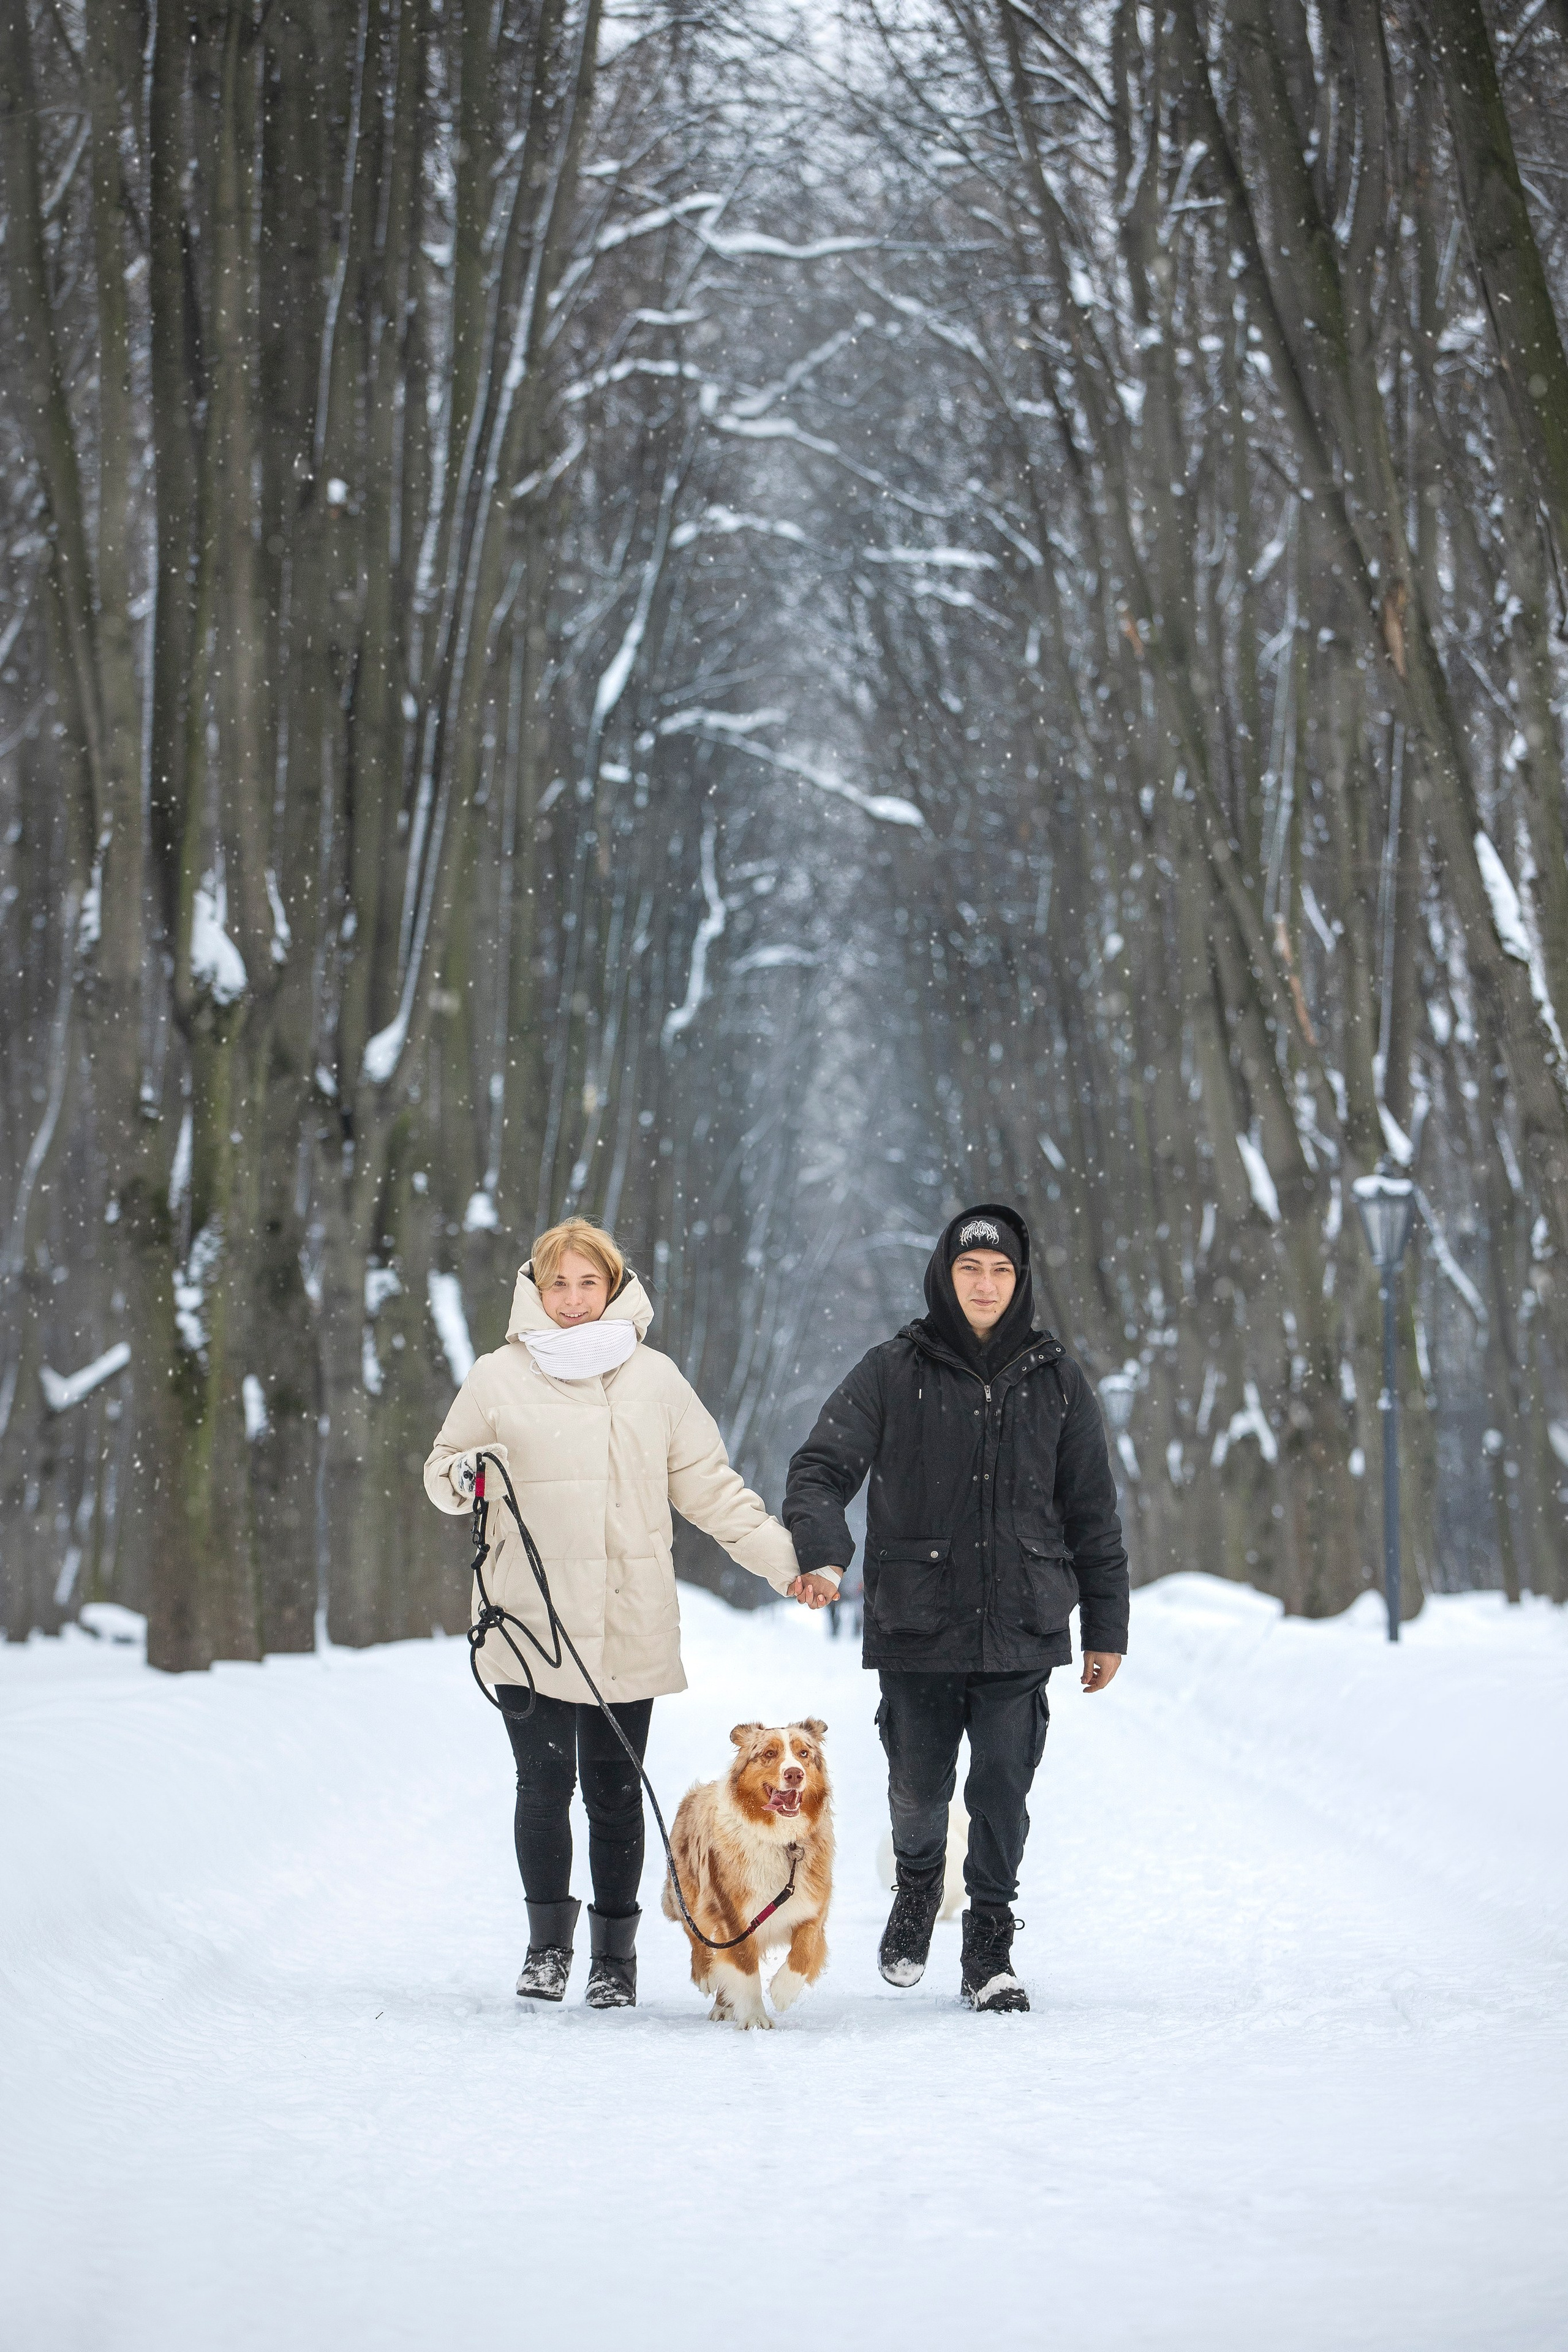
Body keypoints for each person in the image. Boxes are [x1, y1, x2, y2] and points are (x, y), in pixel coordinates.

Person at [423, 1216, 800, 2010]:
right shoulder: (498, 1376)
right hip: (526, 1620)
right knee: (542, 1783)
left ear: (615, 1287)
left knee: (614, 1792)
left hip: (627, 1620)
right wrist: (466, 1474)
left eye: (587, 1283)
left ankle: (613, 1960)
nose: (571, 1299)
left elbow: (712, 1489)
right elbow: (442, 1472)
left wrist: (787, 1564)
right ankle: (546, 1951)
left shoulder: (656, 1380)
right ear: (535, 1286)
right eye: (557, 1283)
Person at [782, 1204, 1129, 2013]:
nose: (985, 1284)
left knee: (1003, 1787)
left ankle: (989, 1947)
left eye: (1001, 1270)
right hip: (918, 1624)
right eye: (971, 1269)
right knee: (918, 1784)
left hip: (1021, 1627)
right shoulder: (892, 1369)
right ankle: (915, 1886)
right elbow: (821, 1467)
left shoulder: (1057, 1379)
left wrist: (1106, 1627)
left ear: (1020, 1280)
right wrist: (826, 1550)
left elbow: (1093, 1515)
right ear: (946, 1275)